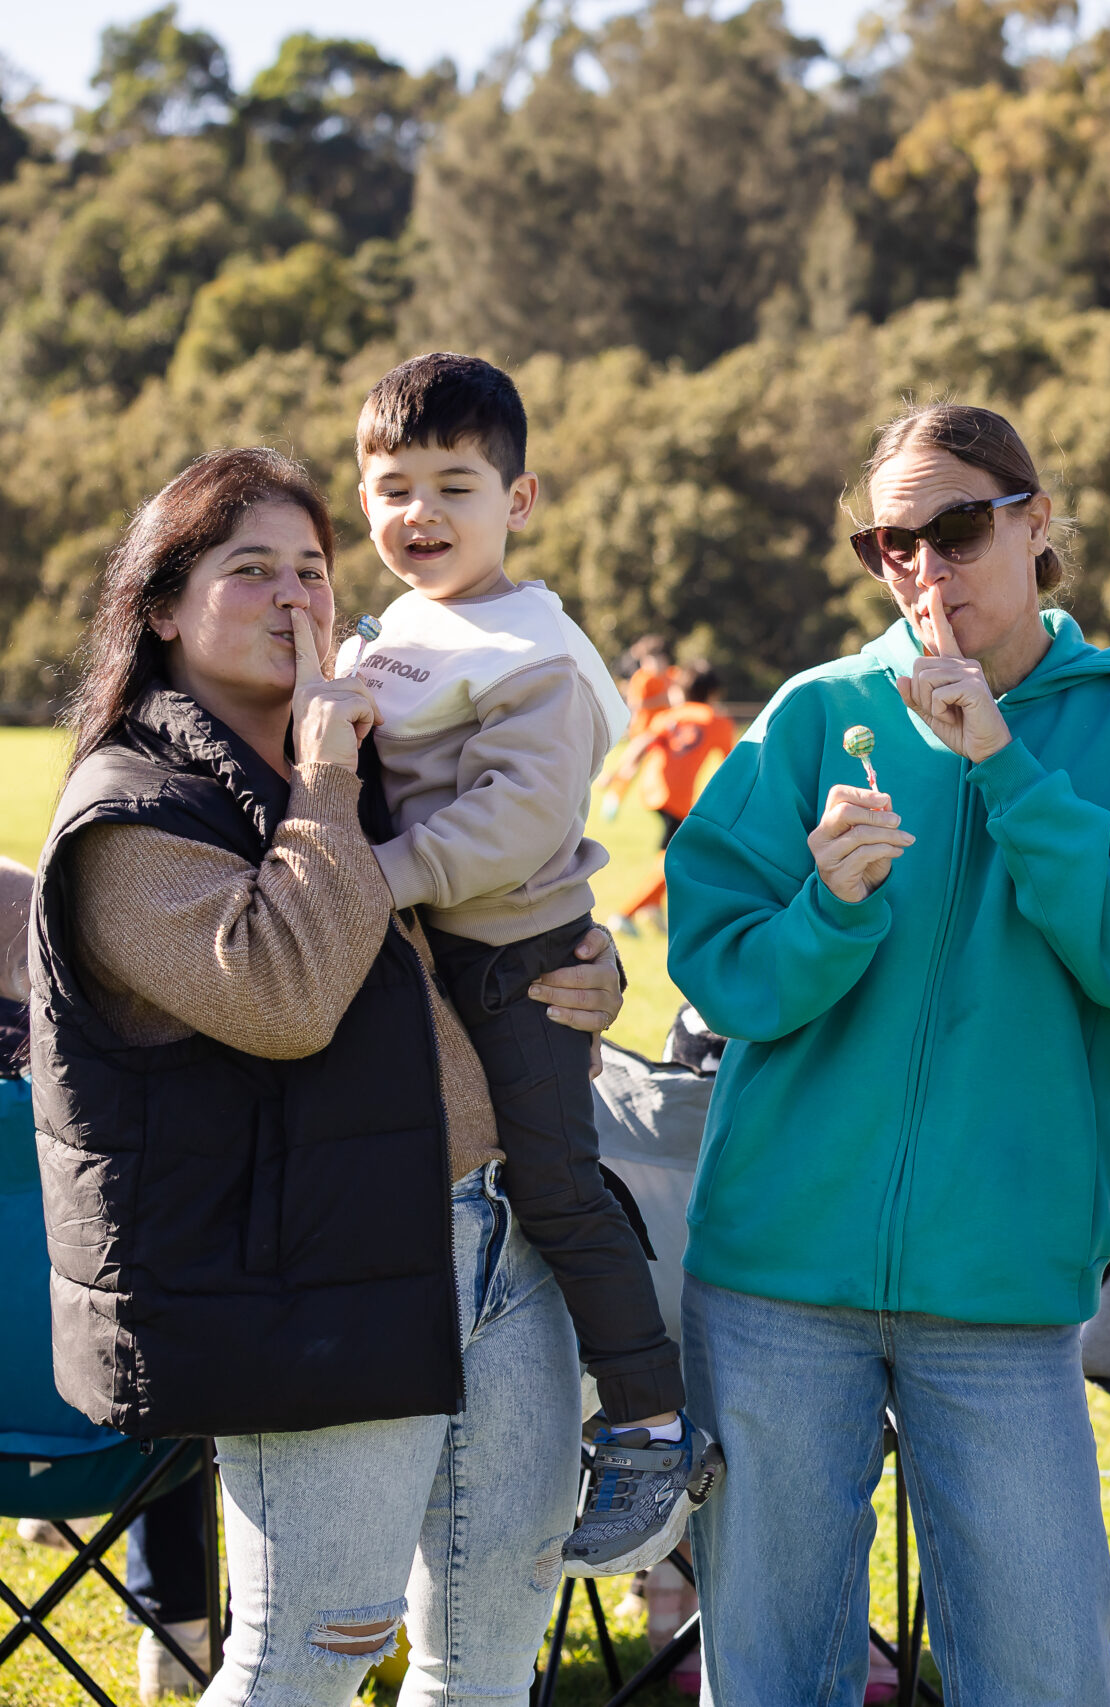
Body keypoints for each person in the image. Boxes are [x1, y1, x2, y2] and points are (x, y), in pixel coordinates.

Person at [30, 446, 627, 1704]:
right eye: (250, 571)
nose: (297, 596)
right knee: (309, 1651)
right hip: (318, 1282)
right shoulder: (132, 815)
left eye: (313, 567)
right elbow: (288, 997)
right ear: (159, 606)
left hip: (502, 1243)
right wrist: (327, 776)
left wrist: (585, 962)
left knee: (488, 1655)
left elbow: (477, 909)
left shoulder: (376, 763)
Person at [662, 403, 1110, 1704]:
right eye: (890, 542)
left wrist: (1004, 762)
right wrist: (831, 914)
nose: (924, 566)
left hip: (1005, 1288)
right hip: (775, 1279)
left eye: (958, 527)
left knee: (1041, 1673)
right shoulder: (811, 717)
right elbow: (720, 965)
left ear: (1038, 523)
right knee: (773, 1678)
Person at [338, 352, 711, 1575]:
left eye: (456, 486)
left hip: (517, 963)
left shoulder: (534, 654)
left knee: (553, 1185)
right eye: (394, 488)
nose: (421, 516)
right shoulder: (403, 628)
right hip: (435, 964)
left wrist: (376, 880)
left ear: (522, 499)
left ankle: (653, 1428)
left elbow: (512, 825)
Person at [603, 664, 737, 936]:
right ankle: (624, 914)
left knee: (674, 855)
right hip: (676, 798)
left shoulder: (668, 715)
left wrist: (616, 776)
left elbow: (640, 744)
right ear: (714, 693)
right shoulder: (718, 720)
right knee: (676, 859)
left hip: (652, 791)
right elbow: (732, 767)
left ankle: (652, 907)